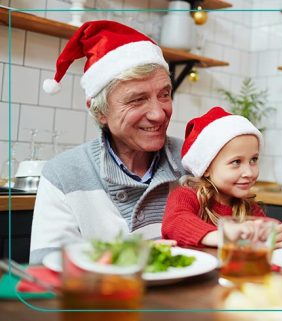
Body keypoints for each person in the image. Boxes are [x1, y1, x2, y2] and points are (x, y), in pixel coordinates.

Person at [29, 21, 184, 264]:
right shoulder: (62, 174)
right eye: (137, 100)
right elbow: (46, 270)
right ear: (99, 111)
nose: (158, 113)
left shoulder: (195, 159)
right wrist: (119, 260)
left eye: (164, 94)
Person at [162, 107, 282, 248]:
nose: (249, 172)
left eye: (253, 160)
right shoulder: (186, 195)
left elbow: (269, 229)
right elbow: (177, 221)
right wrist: (225, 237)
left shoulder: (247, 207)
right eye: (236, 162)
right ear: (207, 167)